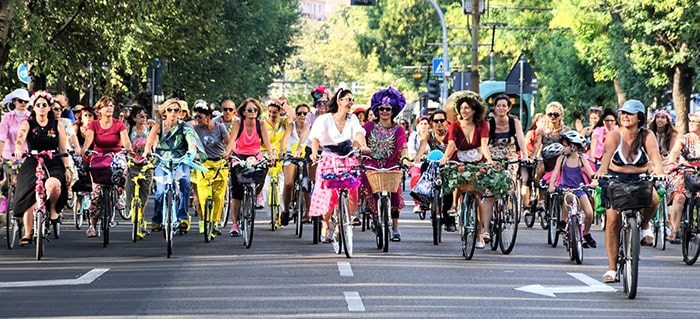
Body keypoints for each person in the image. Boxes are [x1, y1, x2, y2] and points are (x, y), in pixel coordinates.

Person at [594, 99, 665, 283]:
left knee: (654, 199)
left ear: (639, 117)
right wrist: (601, 171)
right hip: (615, 179)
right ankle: (611, 268)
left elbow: (655, 157)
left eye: (630, 113)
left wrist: (660, 172)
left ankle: (644, 226)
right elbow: (607, 157)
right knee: (612, 220)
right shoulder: (614, 136)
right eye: (623, 113)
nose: (625, 116)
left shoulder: (647, 135)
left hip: (639, 179)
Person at [308, 88, 369, 243]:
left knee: (353, 191)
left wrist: (363, 146)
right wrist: (315, 153)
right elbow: (315, 137)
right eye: (348, 99)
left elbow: (358, 133)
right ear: (339, 101)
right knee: (329, 195)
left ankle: (347, 219)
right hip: (329, 158)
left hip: (347, 157)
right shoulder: (325, 119)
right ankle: (325, 223)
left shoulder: (352, 119)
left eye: (352, 99)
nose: (351, 102)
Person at [12, 91, 72, 245]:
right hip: (32, 160)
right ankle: (27, 232)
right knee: (28, 194)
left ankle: (52, 209)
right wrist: (19, 148)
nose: (41, 107)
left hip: (53, 160)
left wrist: (67, 167)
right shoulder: (28, 123)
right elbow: (20, 137)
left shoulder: (56, 125)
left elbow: (63, 149)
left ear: (49, 107)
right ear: (34, 107)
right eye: (38, 105)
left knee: (53, 184)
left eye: (44, 105)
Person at [439, 91, 493, 248]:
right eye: (462, 108)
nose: (464, 111)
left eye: (467, 108)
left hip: (477, 158)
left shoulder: (482, 125)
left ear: (474, 110)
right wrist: (444, 158)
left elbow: (484, 144)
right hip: (459, 158)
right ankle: (454, 206)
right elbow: (451, 145)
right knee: (458, 174)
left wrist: (489, 161)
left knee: (477, 196)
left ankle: (480, 234)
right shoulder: (455, 125)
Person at [143, 98, 200, 233]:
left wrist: (192, 151)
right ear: (164, 112)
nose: (173, 113)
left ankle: (183, 217)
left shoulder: (185, 127)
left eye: (176, 110)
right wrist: (147, 152)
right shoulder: (158, 126)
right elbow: (149, 143)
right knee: (160, 191)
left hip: (181, 160)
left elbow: (191, 142)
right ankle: (157, 219)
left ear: (181, 113)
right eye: (170, 110)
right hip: (162, 160)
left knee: (185, 183)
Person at [79, 96, 132, 237]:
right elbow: (89, 140)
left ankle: (121, 194)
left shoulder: (119, 124)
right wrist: (84, 150)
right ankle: (92, 225)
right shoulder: (94, 125)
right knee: (96, 195)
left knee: (122, 165)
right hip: (98, 156)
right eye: (106, 106)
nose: (109, 108)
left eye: (111, 105)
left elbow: (125, 142)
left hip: (115, 155)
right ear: (99, 110)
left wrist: (128, 149)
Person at [361, 87, 409, 241]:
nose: (384, 112)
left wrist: (406, 159)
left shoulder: (399, 129)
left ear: (393, 110)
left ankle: (395, 227)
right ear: (377, 109)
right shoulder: (368, 126)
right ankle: (374, 213)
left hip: (391, 165)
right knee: (368, 184)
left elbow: (403, 145)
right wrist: (360, 148)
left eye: (388, 109)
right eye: (381, 109)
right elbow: (359, 138)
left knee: (394, 194)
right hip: (372, 164)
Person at [482, 94, 530, 245]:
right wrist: (489, 161)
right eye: (498, 106)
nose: (501, 108)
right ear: (494, 108)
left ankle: (508, 205)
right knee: (490, 195)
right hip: (493, 158)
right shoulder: (489, 123)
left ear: (509, 108)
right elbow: (484, 144)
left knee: (509, 182)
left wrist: (525, 155)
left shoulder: (514, 122)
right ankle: (486, 230)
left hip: (510, 158)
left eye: (504, 106)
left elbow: (521, 139)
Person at [225, 98, 275, 237]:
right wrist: (228, 153)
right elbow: (232, 140)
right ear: (243, 112)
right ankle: (234, 225)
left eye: (255, 110)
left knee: (262, 173)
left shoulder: (261, 124)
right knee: (237, 192)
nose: (253, 112)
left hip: (255, 156)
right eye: (250, 110)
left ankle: (255, 193)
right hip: (239, 156)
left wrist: (271, 156)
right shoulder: (237, 123)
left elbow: (267, 143)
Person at [548, 130, 597, 248]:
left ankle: (586, 233)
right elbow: (555, 173)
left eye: (564, 146)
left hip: (579, 188)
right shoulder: (562, 159)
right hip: (566, 188)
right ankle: (564, 221)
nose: (562, 148)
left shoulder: (581, 159)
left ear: (573, 147)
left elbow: (591, 173)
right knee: (568, 198)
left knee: (589, 213)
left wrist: (594, 181)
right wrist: (551, 185)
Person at [192, 101, 229, 237]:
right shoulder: (196, 129)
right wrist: (194, 154)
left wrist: (228, 153)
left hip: (219, 164)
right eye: (196, 117)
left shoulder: (220, 127)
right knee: (203, 195)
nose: (197, 120)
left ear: (208, 117)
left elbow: (228, 142)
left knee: (218, 196)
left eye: (200, 117)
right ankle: (206, 221)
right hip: (203, 164)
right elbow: (192, 144)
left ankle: (214, 222)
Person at [664, 111, 700, 244]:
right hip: (685, 171)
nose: (692, 124)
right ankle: (674, 231)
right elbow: (674, 153)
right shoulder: (684, 139)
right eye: (690, 121)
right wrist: (672, 161)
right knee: (679, 197)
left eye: (695, 122)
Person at [413, 110, 452, 230]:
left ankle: (448, 217)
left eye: (442, 120)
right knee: (425, 166)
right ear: (431, 123)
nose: (439, 123)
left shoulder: (451, 133)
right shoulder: (428, 134)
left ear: (446, 122)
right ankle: (424, 199)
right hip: (433, 162)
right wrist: (418, 156)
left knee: (449, 188)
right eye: (436, 121)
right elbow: (423, 145)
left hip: (449, 162)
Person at [0, 89, 31, 223]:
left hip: (27, 156)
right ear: (14, 102)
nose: (23, 103)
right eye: (20, 101)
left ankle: (24, 209)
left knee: (24, 185)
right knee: (7, 183)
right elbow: (2, 137)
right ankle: (4, 205)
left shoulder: (31, 117)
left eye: (25, 101)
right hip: (9, 155)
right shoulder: (7, 117)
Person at [280, 103, 312, 225]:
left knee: (306, 183)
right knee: (289, 183)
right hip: (291, 156)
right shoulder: (291, 126)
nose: (302, 115)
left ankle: (308, 210)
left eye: (305, 113)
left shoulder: (310, 126)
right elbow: (284, 139)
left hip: (306, 157)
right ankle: (286, 210)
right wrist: (282, 151)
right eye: (299, 113)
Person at [125, 105, 153, 239]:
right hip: (132, 165)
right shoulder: (129, 130)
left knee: (144, 194)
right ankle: (136, 220)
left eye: (145, 115)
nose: (144, 118)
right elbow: (124, 144)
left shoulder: (150, 129)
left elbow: (155, 144)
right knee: (131, 194)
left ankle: (141, 220)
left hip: (146, 165)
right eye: (141, 116)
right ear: (134, 118)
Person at [407, 116, 430, 213]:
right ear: (417, 126)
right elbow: (411, 152)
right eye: (421, 124)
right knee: (416, 178)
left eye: (425, 123)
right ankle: (417, 203)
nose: (424, 126)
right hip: (416, 163)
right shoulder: (413, 136)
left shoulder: (431, 135)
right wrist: (416, 157)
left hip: (429, 163)